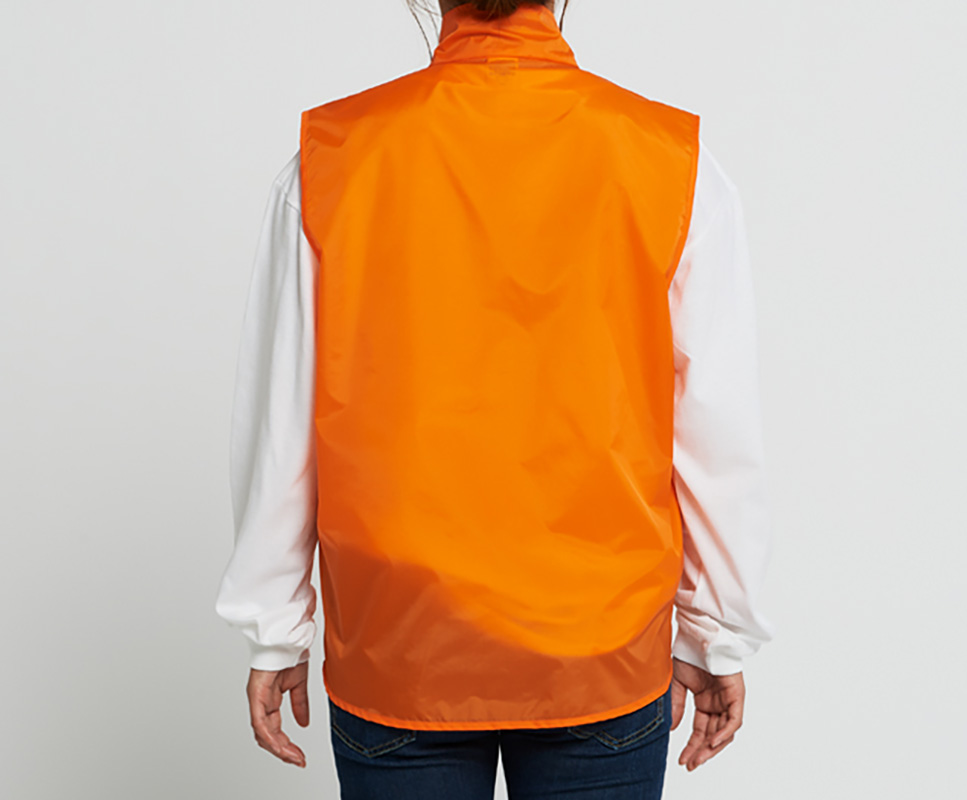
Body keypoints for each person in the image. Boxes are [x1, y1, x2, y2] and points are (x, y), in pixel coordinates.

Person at [214, 0, 777, 796]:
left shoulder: (332, 158)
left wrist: (274, 627)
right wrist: (715, 631)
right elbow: (716, 430)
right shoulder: (671, 160)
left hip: (400, 640)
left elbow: (283, 424)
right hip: (600, 642)